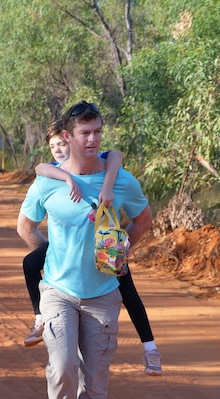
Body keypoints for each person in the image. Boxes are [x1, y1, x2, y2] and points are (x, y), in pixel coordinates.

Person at [17, 101, 152, 399]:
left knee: (95, 380)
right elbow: (25, 224)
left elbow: (143, 220)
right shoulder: (48, 183)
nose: (92, 140)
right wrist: (47, 255)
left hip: (103, 295)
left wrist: (122, 252)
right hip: (58, 291)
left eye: (97, 132)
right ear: (68, 137)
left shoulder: (122, 180)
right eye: (84, 133)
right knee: (62, 369)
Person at [22, 119, 163, 376]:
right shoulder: (52, 171)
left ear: (71, 142)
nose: (58, 150)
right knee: (30, 262)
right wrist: (66, 178)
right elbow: (39, 167)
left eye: (62, 145)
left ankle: (150, 346)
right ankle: (40, 317)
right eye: (53, 146)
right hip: (65, 249)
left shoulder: (105, 165)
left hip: (107, 247)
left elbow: (116, 156)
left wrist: (124, 245)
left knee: (127, 288)